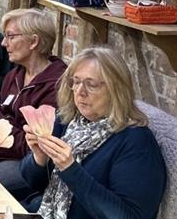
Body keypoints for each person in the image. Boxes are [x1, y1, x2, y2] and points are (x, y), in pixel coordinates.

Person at [19, 47, 166, 218]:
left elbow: (128, 216)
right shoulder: (68, 120)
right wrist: (39, 158)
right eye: (76, 81)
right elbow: (31, 182)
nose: (80, 92)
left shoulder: (136, 141)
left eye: (91, 84)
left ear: (116, 90)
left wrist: (70, 169)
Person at [0, 8, 67, 200]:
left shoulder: (56, 85)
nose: (4, 43)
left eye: (10, 36)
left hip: (27, 161)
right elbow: (5, 117)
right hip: (0, 148)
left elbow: (30, 147)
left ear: (34, 41)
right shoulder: (15, 74)